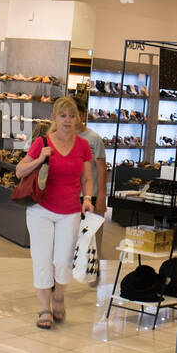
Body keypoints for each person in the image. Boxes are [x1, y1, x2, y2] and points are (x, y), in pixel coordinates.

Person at [16, 96, 94, 329]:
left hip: (69, 210)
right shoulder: (42, 142)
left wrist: (87, 198)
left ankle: (59, 295)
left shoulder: (83, 146)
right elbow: (20, 171)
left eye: (72, 116)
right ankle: (44, 308)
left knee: (63, 260)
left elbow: (87, 178)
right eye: (63, 116)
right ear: (54, 118)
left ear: (78, 119)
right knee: (41, 259)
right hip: (40, 210)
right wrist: (40, 158)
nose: (68, 121)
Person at [74, 95, 108, 286]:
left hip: (91, 194)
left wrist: (102, 197)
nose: (73, 118)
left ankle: (94, 271)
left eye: (77, 114)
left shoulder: (94, 139)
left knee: (93, 234)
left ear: (83, 114)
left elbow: (102, 169)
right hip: (71, 194)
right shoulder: (65, 136)